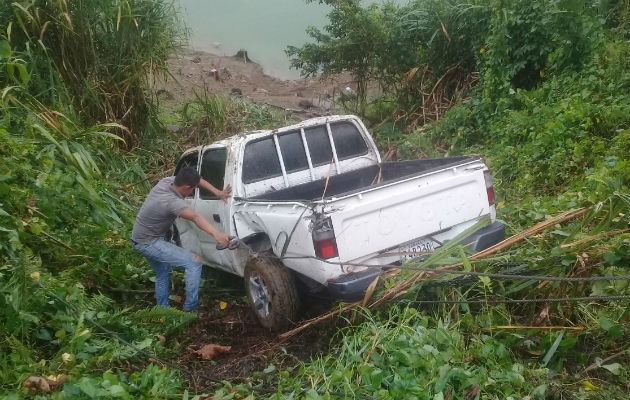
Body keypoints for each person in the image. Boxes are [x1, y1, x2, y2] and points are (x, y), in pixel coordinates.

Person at [130, 167, 232, 312]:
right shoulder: (171, 202)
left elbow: (198, 180)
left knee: (163, 272)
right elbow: (196, 217)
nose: (191, 193)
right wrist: (217, 234)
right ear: (186, 187)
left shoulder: (167, 182)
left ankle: (163, 310)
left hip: (140, 237)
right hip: (148, 242)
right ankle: (190, 309)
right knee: (194, 262)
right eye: (192, 190)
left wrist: (218, 193)